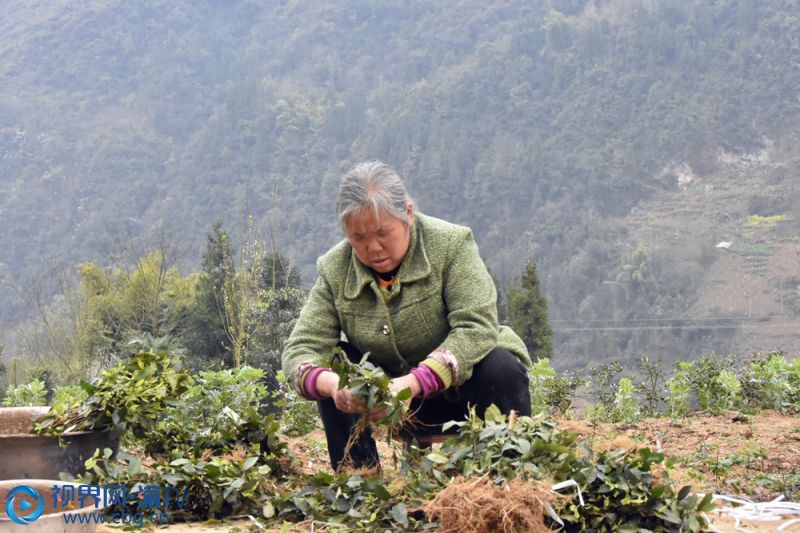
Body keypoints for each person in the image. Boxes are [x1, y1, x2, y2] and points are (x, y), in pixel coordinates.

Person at [282, 161, 532, 470]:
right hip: (389, 407)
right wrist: (334, 386)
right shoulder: (335, 268)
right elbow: (300, 349)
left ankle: (513, 475)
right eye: (358, 237)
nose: (372, 247)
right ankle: (359, 484)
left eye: (383, 233)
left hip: (463, 397)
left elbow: (477, 327)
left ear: (408, 215)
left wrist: (413, 383)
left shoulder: (450, 245)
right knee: (336, 362)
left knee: (500, 365)